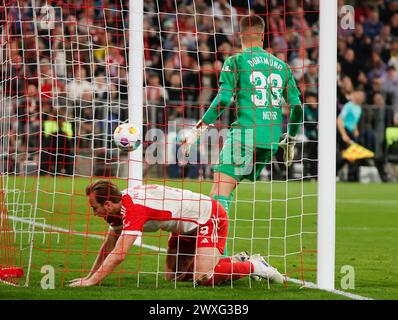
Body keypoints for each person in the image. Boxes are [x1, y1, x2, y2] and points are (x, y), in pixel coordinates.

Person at [181, 15, 302, 251]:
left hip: (245, 135)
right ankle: (206, 248)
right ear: (262, 35)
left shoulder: (236, 61)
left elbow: (224, 98)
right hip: (269, 141)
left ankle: (216, 256)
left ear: (240, 35)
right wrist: (291, 138)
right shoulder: (282, 66)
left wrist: (199, 129)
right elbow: (297, 107)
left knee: (220, 195)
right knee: (219, 192)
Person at [69, 180, 283, 287]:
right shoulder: (117, 210)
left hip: (209, 216)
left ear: (107, 204)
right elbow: (108, 248)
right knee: (175, 278)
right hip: (184, 229)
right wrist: (88, 276)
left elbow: (120, 253)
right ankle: (236, 260)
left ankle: (255, 266)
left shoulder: (133, 209)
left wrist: (92, 282)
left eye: (93, 208)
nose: (93, 213)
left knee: (202, 278)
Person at [336, 90, 365, 181]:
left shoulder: (358, 108)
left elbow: (353, 120)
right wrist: (344, 135)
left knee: (352, 155)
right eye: (361, 96)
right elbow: (340, 120)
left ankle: (351, 176)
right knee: (347, 155)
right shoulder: (348, 106)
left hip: (351, 133)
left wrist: (355, 129)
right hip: (345, 132)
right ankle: (335, 172)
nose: (362, 99)